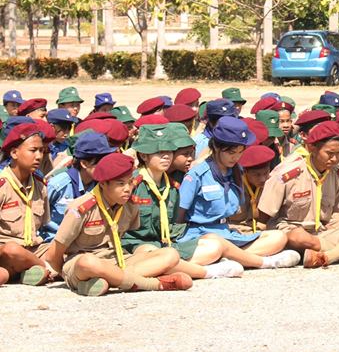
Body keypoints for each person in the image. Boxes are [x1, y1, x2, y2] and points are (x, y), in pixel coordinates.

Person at [45, 152, 193, 296]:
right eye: (121, 184)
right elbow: (53, 255)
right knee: (88, 262)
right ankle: (154, 284)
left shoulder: (130, 205)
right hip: (84, 264)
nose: (127, 189)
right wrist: (68, 277)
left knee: (170, 254)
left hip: (117, 260)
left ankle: (111, 280)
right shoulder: (81, 208)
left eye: (130, 182)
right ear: (103, 184)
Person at [122, 125, 244, 281]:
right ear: (144, 156)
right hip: (136, 245)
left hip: (166, 245)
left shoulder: (173, 187)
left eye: (169, 152)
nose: (166, 157)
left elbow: (175, 226)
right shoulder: (131, 184)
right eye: (159, 152)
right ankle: (207, 271)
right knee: (158, 254)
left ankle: (166, 268)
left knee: (213, 247)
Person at [176, 117, 300, 268]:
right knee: (215, 246)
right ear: (216, 147)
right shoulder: (196, 175)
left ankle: (230, 258)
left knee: (278, 237)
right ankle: (263, 262)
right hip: (203, 236)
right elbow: (179, 216)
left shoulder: (236, 173)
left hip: (227, 232)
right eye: (231, 152)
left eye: (240, 152)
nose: (236, 157)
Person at [258, 122, 339, 268]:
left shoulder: (337, 175)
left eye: (338, 154)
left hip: (323, 233)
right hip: (293, 232)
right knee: (298, 236)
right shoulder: (288, 174)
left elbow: (337, 216)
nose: (335, 159)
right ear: (312, 148)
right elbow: (264, 217)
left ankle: (326, 256)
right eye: (330, 153)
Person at [0, 123, 53, 287]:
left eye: (41, 151)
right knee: (12, 250)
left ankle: (29, 271)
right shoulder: (2, 186)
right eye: (33, 150)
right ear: (14, 153)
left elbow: (43, 225)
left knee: (66, 252)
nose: (39, 156)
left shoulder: (40, 184)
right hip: (6, 252)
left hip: (34, 249)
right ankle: (47, 270)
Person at [43, 132, 116, 240]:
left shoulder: (101, 186)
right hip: (53, 240)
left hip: (85, 242)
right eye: (100, 163)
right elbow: (36, 216)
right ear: (84, 163)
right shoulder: (58, 184)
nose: (105, 167)